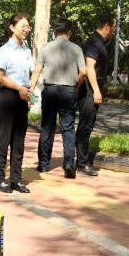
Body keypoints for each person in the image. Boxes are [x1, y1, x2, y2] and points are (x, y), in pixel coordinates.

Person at [30, 18, 87, 178]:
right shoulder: (76, 48)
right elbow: (84, 72)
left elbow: (37, 70)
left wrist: (31, 90)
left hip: (50, 90)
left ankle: (43, 164)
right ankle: (68, 163)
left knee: (47, 127)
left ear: (55, 31)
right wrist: (76, 85)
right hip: (69, 91)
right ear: (70, 32)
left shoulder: (46, 48)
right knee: (68, 128)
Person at [0, 14, 34, 194]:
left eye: (28, 26)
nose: (26, 29)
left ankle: (16, 179)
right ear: (12, 27)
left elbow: (30, 74)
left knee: (19, 141)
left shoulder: (27, 50)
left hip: (22, 97)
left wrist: (29, 93)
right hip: (8, 96)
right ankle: (0, 179)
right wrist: (19, 88)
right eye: (22, 26)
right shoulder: (4, 50)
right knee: (3, 140)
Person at [75, 12, 115, 176]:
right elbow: (89, 67)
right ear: (106, 26)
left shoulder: (98, 42)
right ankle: (82, 163)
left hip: (91, 88)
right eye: (113, 27)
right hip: (89, 90)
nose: (113, 31)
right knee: (85, 126)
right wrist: (96, 90)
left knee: (87, 125)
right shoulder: (94, 42)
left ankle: (80, 161)